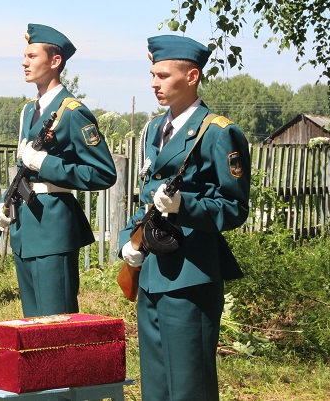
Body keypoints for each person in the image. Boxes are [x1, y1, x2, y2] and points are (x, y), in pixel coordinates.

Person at [118, 35, 251, 400]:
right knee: (156, 387)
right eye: (152, 74)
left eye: (162, 75)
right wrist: (128, 240)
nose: (153, 83)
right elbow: (147, 196)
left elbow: (234, 207)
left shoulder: (217, 134)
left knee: (190, 387)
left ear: (191, 77)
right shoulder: (154, 130)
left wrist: (184, 206)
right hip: (150, 273)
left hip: (191, 276)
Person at [0, 24, 117, 317]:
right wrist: (6, 202)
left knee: (56, 321)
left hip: (52, 226)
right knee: (33, 322)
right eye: (24, 56)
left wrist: (46, 164)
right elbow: (25, 171)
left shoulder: (72, 112)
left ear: (55, 61)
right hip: (25, 223)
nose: (24, 62)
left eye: (32, 55)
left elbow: (103, 172)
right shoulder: (28, 110)